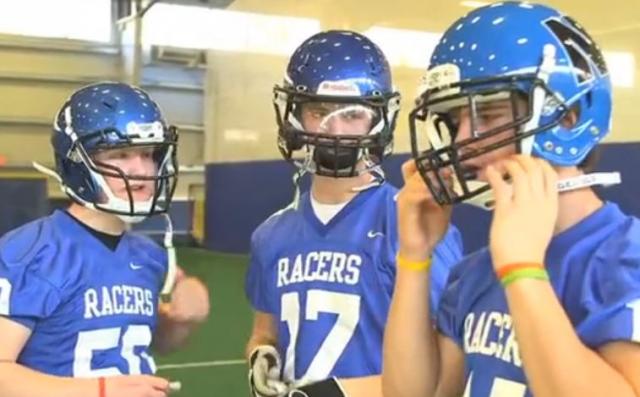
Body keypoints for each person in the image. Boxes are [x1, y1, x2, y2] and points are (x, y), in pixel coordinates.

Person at [383, 2, 640, 397]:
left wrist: (522, 270)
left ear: (568, 117)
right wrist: (414, 259)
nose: (462, 142)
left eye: (487, 114)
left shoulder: (626, 258)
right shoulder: (473, 273)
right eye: (454, 122)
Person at [245, 30, 463, 397]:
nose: (336, 130)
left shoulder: (412, 224)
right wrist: (260, 355)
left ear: (379, 119)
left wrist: (337, 394)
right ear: (294, 116)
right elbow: (265, 331)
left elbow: (448, 372)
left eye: (353, 115)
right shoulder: (271, 235)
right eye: (319, 112)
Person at [0, 82, 210, 397]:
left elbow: (153, 341)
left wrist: (182, 321)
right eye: (121, 154)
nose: (141, 169)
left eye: (148, 154)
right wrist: (99, 391)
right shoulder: (34, 251)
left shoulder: (149, 255)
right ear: (78, 164)